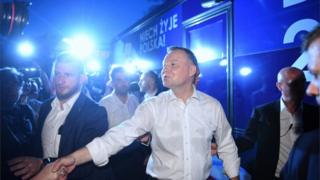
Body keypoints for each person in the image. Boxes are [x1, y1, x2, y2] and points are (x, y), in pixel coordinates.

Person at [36, 46, 240, 180]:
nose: (164, 70)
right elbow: (117, 137)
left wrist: (233, 177)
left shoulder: (212, 106)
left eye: (173, 64)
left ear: (192, 70)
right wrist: (75, 158)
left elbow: (227, 145)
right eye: (163, 66)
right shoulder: (152, 106)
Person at [8, 53, 113, 179]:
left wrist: (42, 164)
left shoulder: (95, 112)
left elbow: (86, 162)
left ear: (82, 79)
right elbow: (39, 147)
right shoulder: (45, 107)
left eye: (68, 75)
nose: (60, 80)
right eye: (57, 73)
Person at [235, 66, 319, 179]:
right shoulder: (263, 112)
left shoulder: (315, 113)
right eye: (293, 83)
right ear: (279, 86)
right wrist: (222, 147)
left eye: (302, 82)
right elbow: (248, 140)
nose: (299, 87)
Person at [280, 25, 320, 180]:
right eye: (314, 75)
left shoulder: (312, 114)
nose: (310, 90)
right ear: (279, 86)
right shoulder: (306, 147)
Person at [99, 66, 148, 180]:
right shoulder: (104, 104)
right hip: (116, 157)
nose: (123, 83)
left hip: (137, 154)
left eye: (125, 79)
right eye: (119, 80)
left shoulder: (134, 100)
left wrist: (145, 152)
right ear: (112, 82)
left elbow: (141, 126)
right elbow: (100, 133)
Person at [1, 67, 36, 180]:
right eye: (5, 83)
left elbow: (37, 138)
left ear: (21, 88)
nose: (10, 88)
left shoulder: (26, 110)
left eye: (14, 84)